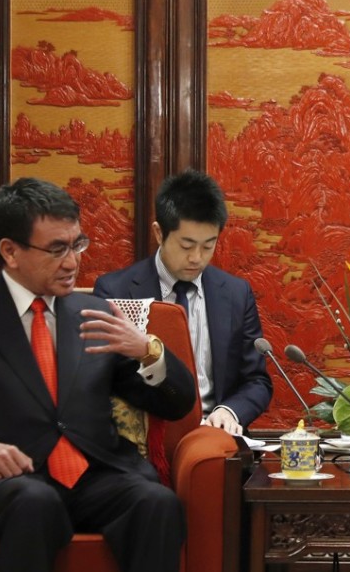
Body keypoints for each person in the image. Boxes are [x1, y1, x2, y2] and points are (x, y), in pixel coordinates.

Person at [0, 177, 196, 572]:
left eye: (77, 244)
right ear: (11, 251)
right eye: (57, 249)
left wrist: (147, 350)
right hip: (7, 484)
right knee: (33, 502)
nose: (72, 262)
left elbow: (176, 404)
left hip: (95, 476)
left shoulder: (96, 313)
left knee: (156, 502)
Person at [94, 169, 272, 435]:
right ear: (158, 233)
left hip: (214, 433)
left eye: (208, 246)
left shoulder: (236, 294)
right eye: (186, 246)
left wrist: (230, 411)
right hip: (147, 434)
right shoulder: (116, 291)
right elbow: (106, 379)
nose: (196, 258)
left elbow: (257, 380)